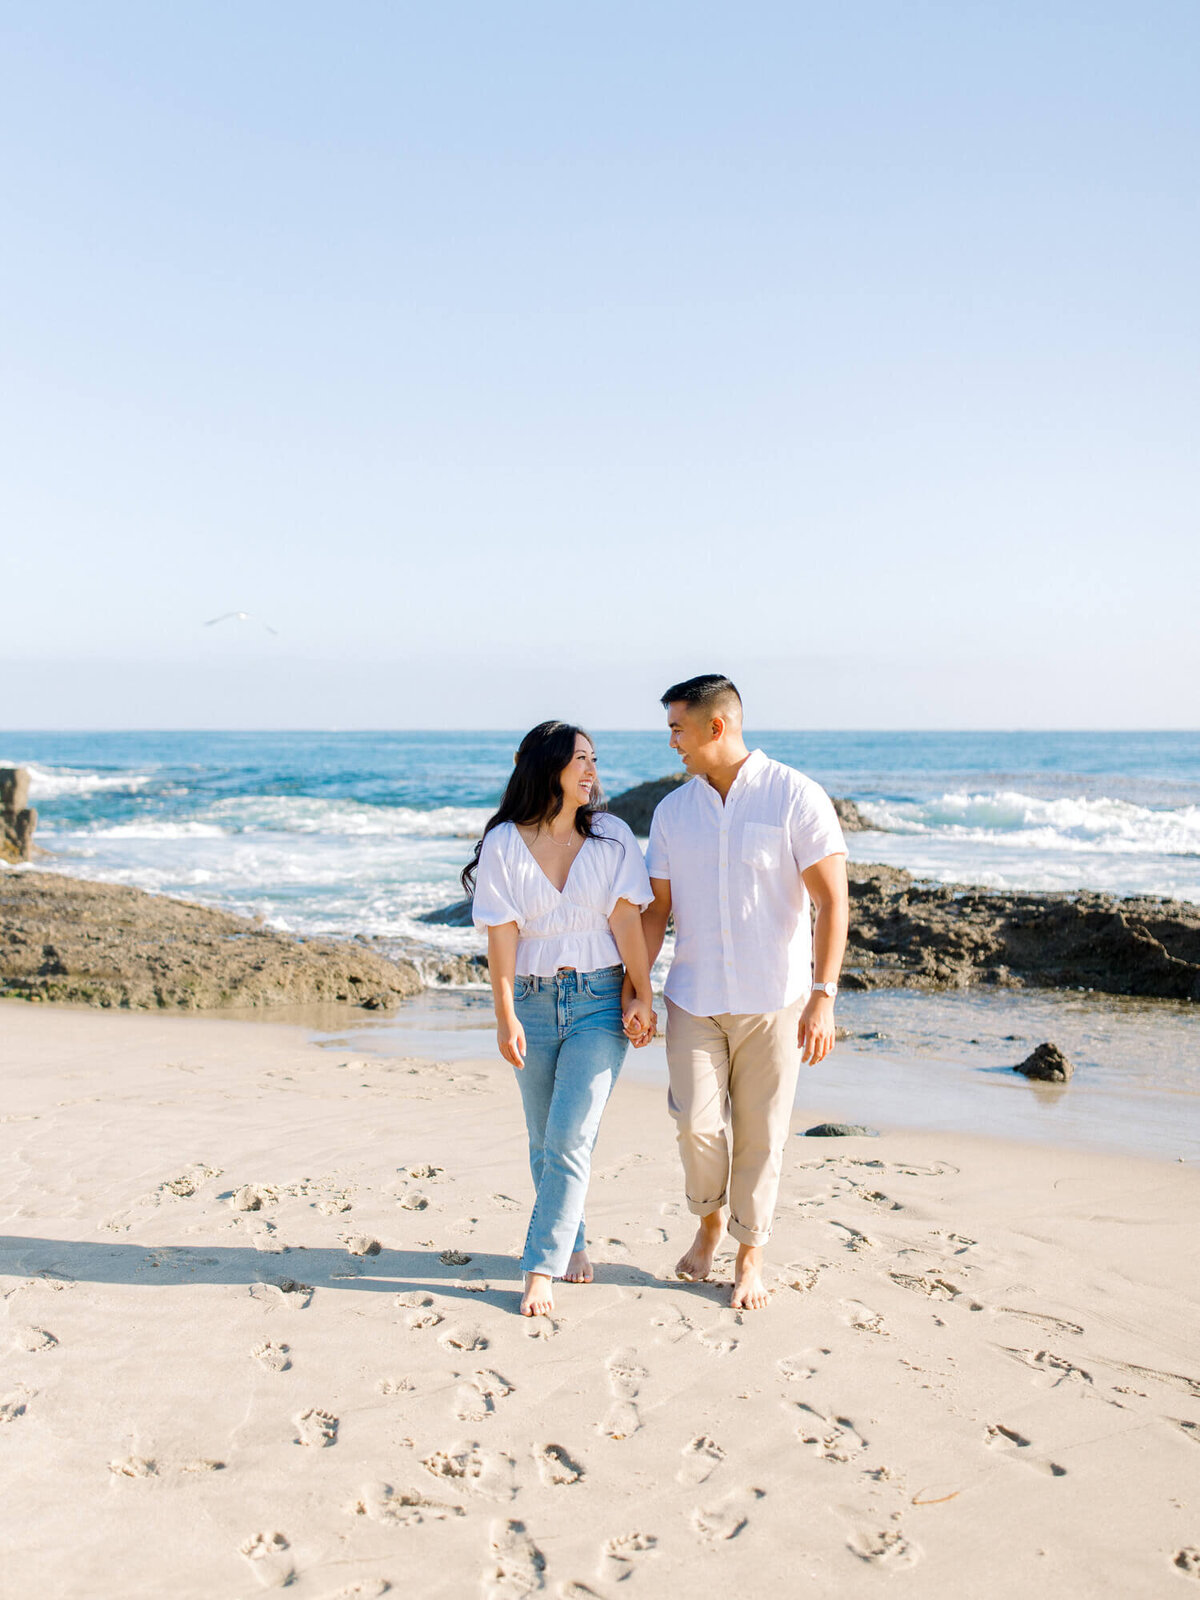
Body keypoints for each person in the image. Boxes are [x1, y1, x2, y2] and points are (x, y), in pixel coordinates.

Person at [634, 674, 849, 1312]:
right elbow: (657, 911)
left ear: (714, 727)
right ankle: (709, 1222)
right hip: (693, 998)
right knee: (695, 1126)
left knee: (762, 1135)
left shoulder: (795, 797)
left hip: (774, 999)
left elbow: (832, 900)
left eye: (677, 728)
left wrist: (823, 995)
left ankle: (749, 1251)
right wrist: (638, 989)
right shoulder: (674, 812)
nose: (672, 741)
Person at [464, 721, 655, 1318]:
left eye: (594, 759)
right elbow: (502, 939)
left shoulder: (614, 839)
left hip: (600, 1001)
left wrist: (642, 995)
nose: (592, 770)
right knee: (546, 1141)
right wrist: (504, 1017)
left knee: (571, 1135)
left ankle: (538, 1267)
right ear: (548, 767)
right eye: (580, 759)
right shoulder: (503, 844)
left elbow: (627, 926)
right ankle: (571, 1242)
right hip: (532, 1002)